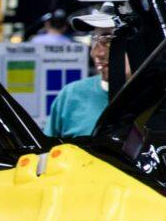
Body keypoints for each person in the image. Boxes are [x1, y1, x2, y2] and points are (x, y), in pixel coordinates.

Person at [45, 7, 116, 137]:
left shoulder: (153, 100)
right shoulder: (71, 95)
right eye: (94, 39)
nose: (96, 53)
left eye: (109, 41)